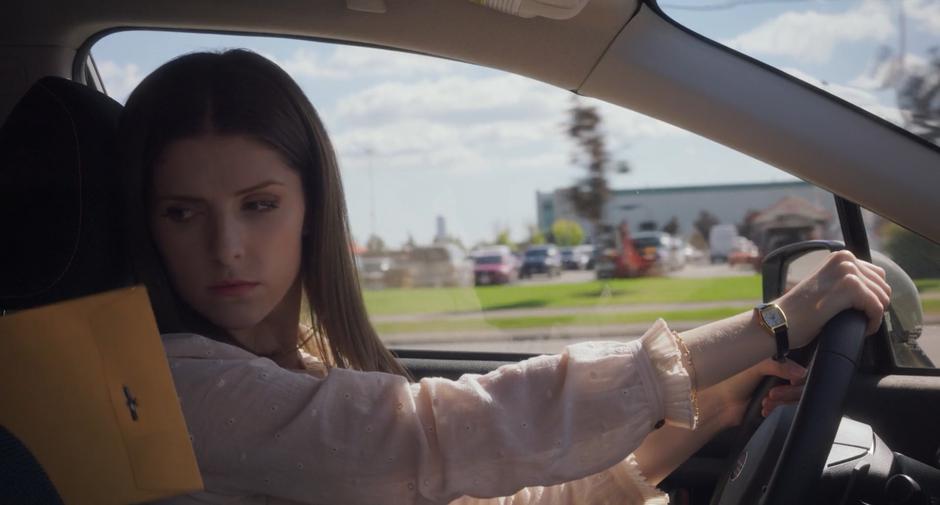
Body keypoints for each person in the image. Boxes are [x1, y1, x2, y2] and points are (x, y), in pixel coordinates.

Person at [117, 50, 891, 505]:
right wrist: (774, 323)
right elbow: (456, 428)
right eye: (183, 213)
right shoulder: (178, 388)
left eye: (257, 205)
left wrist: (711, 411)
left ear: (311, 210)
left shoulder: (304, 366)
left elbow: (501, 487)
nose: (227, 247)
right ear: (147, 224)